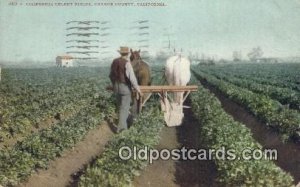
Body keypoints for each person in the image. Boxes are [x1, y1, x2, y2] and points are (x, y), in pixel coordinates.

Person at [109, 46, 143, 133]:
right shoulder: (127, 63)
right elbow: (132, 78)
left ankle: (121, 125)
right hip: (125, 88)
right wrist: (138, 90)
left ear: (120, 53)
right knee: (124, 108)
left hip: (116, 88)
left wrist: (114, 85)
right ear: (128, 54)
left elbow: (111, 75)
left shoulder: (114, 61)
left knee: (120, 107)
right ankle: (121, 129)